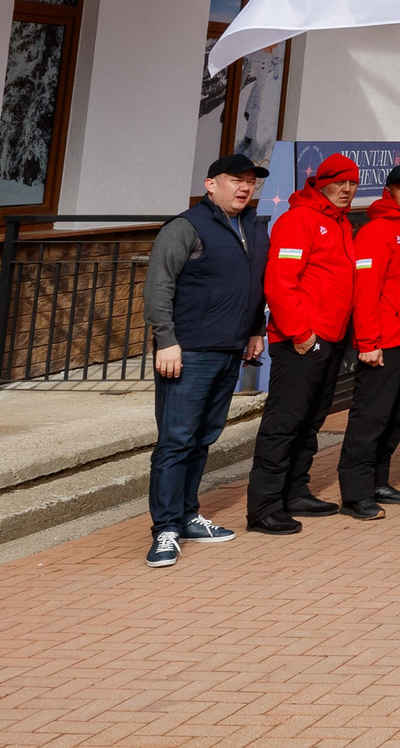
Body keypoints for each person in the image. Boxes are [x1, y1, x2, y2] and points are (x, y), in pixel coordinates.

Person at [141, 153, 269, 567]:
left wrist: (254, 330)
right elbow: (159, 285)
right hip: (187, 351)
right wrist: (166, 340)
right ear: (211, 184)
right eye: (236, 179)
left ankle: (187, 515)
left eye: (251, 181)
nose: (245, 187)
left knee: (202, 438)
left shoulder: (253, 225)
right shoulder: (185, 227)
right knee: (176, 441)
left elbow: (252, 285)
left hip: (230, 349)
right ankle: (164, 530)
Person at [247, 151, 360, 533]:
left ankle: (294, 491)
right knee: (284, 423)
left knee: (310, 422)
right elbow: (280, 281)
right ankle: (263, 507)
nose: (346, 189)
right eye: (339, 182)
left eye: (352, 183)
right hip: (301, 340)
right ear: (321, 182)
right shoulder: (299, 220)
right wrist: (301, 334)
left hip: (330, 339)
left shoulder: (340, 222)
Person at [339, 160, 400, 518]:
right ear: (390, 192)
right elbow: (365, 292)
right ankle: (356, 494)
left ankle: (378, 480)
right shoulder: (376, 231)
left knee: (397, 415)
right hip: (384, 342)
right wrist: (367, 343)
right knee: (371, 418)